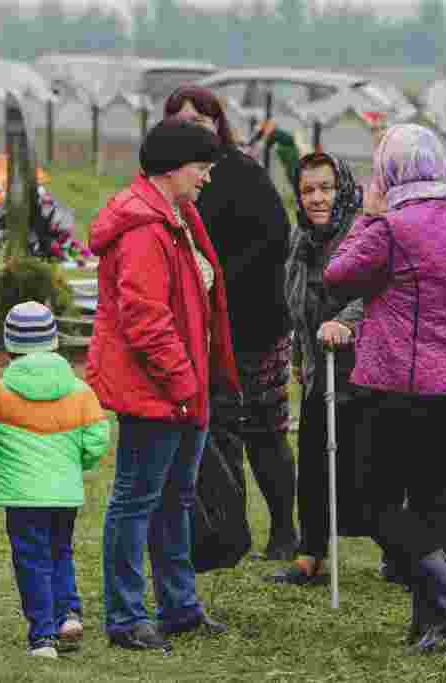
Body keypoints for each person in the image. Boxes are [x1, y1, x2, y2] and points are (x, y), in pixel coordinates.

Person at [323, 123, 446, 652]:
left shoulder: (390, 229)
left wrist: (367, 216)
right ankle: (430, 624)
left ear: (387, 173)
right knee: (430, 504)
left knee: (370, 503)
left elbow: (337, 275)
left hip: (396, 387)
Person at [86, 119, 242, 652]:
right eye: (201, 167)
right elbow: (145, 318)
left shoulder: (180, 216)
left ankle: (179, 606)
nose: (206, 177)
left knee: (175, 500)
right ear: (174, 167)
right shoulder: (143, 230)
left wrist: (198, 384)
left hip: (185, 388)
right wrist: (182, 382)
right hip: (157, 389)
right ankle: (126, 615)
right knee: (136, 500)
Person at [164, 86, 299, 560]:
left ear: (218, 125)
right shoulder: (169, 179)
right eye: (181, 121)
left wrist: (218, 282)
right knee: (221, 429)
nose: (192, 130)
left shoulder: (241, 171)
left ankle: (285, 531)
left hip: (253, 319)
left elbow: (276, 237)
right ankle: (229, 529)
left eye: (201, 122)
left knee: (264, 428)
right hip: (200, 325)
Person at [0, 301, 111, 659]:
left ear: (10, 344)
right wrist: (78, 463)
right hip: (64, 492)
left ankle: (43, 637)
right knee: (60, 552)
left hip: (23, 495)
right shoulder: (79, 391)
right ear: (53, 341)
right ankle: (68, 614)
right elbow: (97, 437)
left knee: (32, 560)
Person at [264, 152, 374, 586]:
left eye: (325, 188)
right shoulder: (300, 240)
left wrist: (346, 323)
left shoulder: (363, 235)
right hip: (317, 366)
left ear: (342, 188)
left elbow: (374, 293)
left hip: (364, 368)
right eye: (308, 190)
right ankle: (310, 552)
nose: (316, 198)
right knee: (312, 460)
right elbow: (295, 303)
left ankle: (402, 554)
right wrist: (297, 355)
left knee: (367, 463)